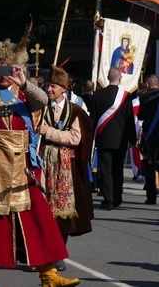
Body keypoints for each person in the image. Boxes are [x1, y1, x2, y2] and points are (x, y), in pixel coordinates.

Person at [0, 36, 80, 287]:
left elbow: (43, 101)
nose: (3, 73)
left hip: (22, 165)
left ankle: (49, 276)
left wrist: (25, 83)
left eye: (8, 67)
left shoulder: (24, 94)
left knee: (39, 219)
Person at [38, 65, 93, 272]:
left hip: (65, 169)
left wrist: (49, 132)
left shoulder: (76, 111)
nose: (49, 89)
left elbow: (75, 138)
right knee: (43, 211)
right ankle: (42, 254)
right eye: (47, 85)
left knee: (62, 214)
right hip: (43, 166)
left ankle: (59, 253)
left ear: (63, 88)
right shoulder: (41, 108)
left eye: (52, 86)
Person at [91, 67, 136, 210]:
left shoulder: (97, 95)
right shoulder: (127, 96)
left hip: (103, 138)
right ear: (120, 78)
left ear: (107, 78)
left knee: (105, 170)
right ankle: (117, 198)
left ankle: (108, 199)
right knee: (118, 169)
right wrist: (132, 138)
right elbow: (130, 120)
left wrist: (91, 138)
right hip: (120, 139)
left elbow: (92, 120)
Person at [138, 74, 159, 205]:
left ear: (148, 84)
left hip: (150, 136)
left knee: (150, 165)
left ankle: (151, 196)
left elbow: (140, 116)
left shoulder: (145, 97)